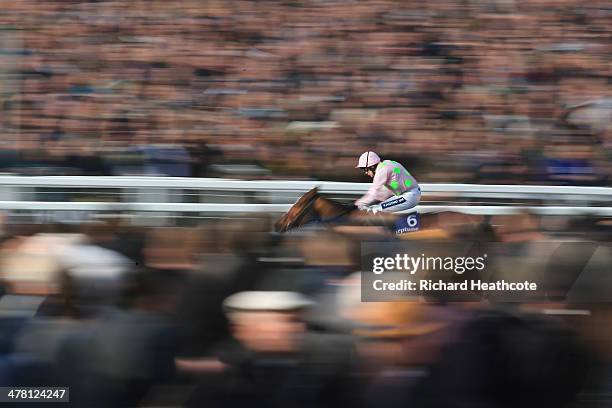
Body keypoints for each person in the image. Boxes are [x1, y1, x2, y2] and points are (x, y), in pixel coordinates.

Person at [355, 151, 421, 214]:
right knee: (375, 208)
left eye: (365, 169)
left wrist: (358, 204)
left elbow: (373, 192)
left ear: (372, 166)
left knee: (375, 210)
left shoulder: (381, 171)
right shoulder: (386, 163)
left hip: (410, 196)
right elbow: (384, 193)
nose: (366, 172)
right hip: (408, 194)